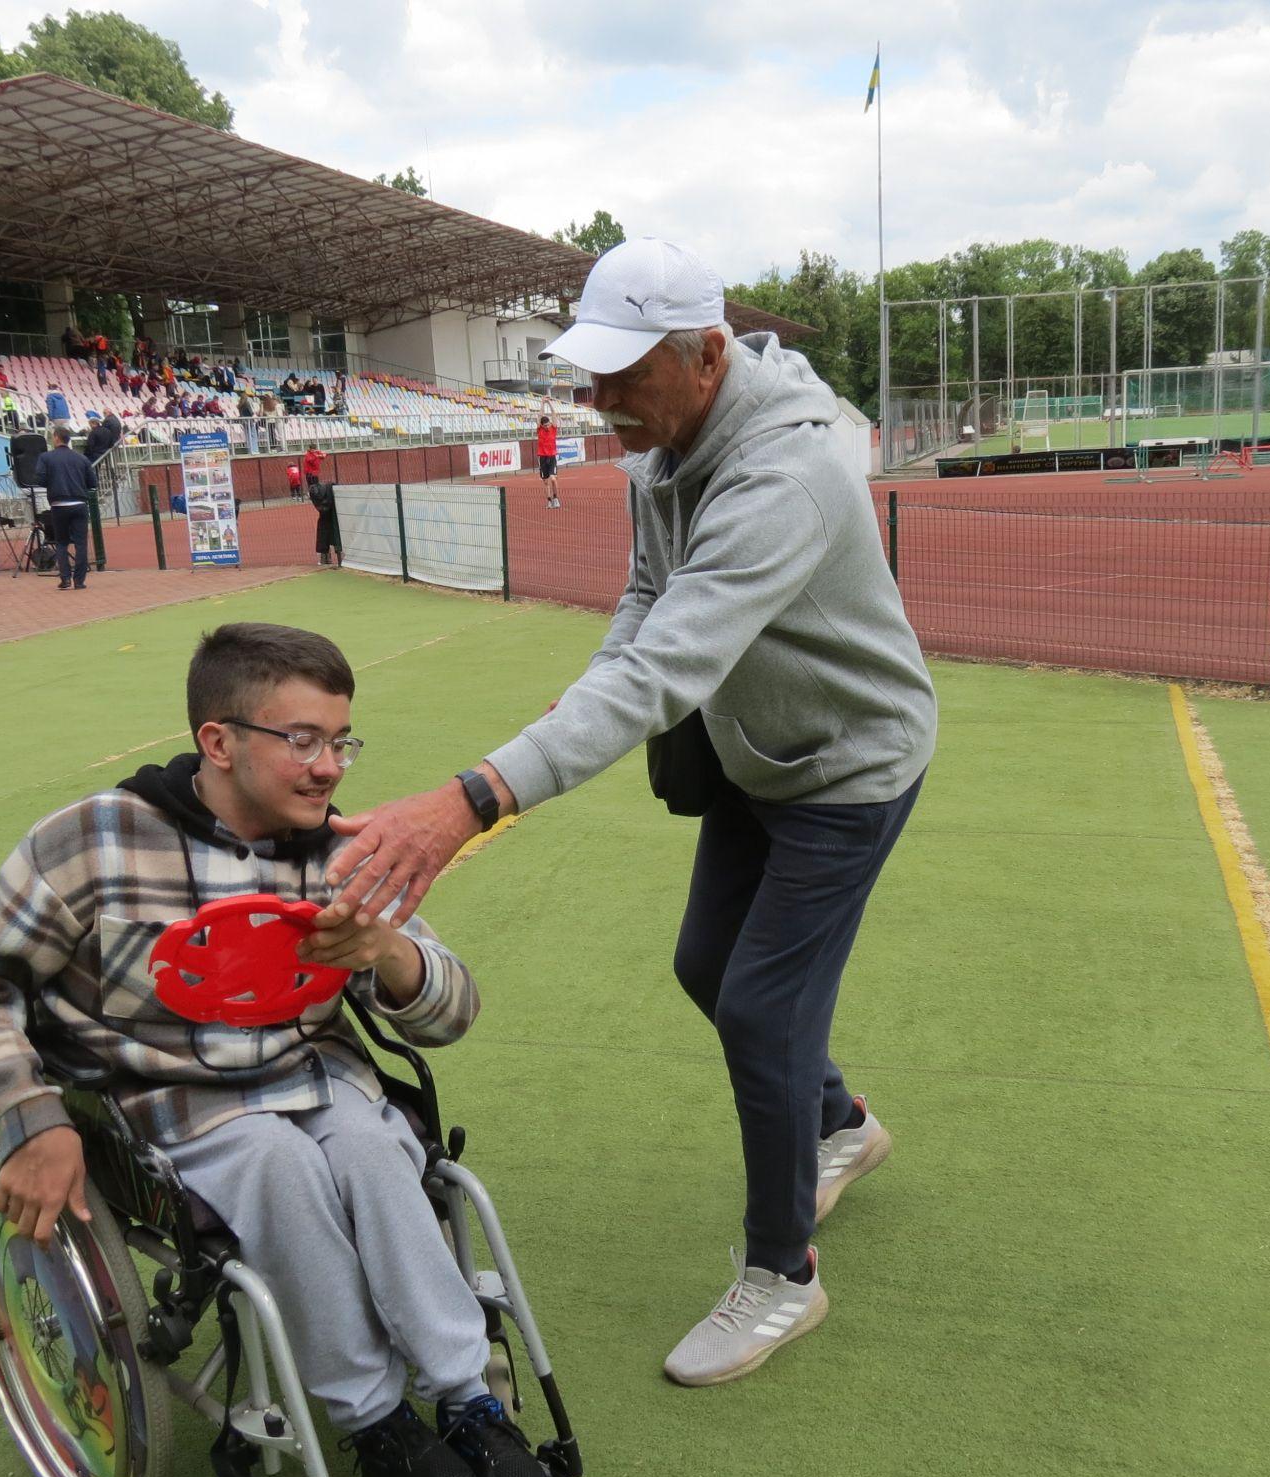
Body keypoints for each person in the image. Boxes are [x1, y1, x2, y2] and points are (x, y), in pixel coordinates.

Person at [312, 238, 937, 1388]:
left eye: (624, 375)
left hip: (848, 766)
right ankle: (840, 1123)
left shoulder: (782, 474)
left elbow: (667, 667)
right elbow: (645, 606)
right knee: (708, 966)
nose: (599, 403)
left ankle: (780, 1277)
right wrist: (578, 700)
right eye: (590, 374)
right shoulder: (668, 442)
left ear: (705, 356)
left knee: (759, 1008)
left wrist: (473, 799)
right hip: (757, 753)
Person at [0, 623, 568, 1477]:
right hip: (164, 1108)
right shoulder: (90, 843)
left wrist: (385, 950)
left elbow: (451, 1013)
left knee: (371, 1149)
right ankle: (376, 1420)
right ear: (219, 740)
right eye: (303, 740)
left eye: (341, 741)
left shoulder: (343, 852)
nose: (329, 768)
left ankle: (466, 1399)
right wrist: (31, 1116)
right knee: (276, 1162)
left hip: (317, 1079)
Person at [37, 427, 97, 589]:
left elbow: (40, 479)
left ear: (56, 438)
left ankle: (65, 578)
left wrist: (53, 481)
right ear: (68, 439)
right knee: (81, 543)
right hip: (79, 503)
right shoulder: (81, 459)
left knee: (62, 543)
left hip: (58, 505)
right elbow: (93, 483)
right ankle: (79, 580)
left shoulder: (46, 458)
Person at [312, 479, 343, 569]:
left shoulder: (318, 497)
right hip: (333, 517)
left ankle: (327, 559)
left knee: (325, 535)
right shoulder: (330, 493)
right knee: (330, 535)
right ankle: (330, 558)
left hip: (326, 519)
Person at [533, 416, 560, 507]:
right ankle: (549, 500)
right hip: (542, 457)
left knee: (553, 478)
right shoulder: (539, 430)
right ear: (542, 425)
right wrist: (542, 403)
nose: (547, 426)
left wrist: (549, 403)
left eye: (548, 424)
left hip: (552, 456)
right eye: (545, 425)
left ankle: (556, 498)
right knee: (545, 481)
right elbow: (539, 417)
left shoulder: (553, 428)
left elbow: (554, 415)